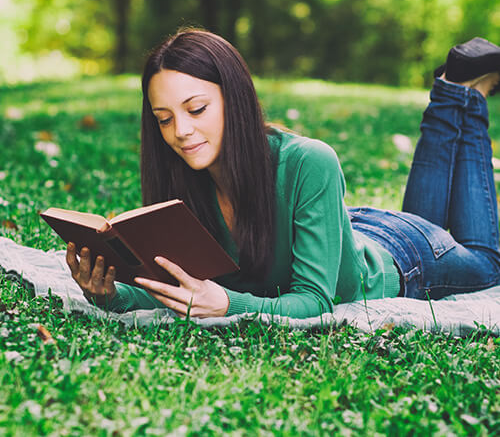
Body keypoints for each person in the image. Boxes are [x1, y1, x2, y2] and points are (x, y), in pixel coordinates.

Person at [66, 31, 500, 319]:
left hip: (404, 259)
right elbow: (180, 286)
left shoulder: (309, 161)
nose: (180, 131)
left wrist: (229, 304)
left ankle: (462, 95)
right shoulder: (181, 178)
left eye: (196, 109)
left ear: (233, 97)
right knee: (428, 219)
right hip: (346, 231)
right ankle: (452, 91)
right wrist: (110, 294)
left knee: (488, 262)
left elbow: (315, 301)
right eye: (163, 119)